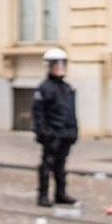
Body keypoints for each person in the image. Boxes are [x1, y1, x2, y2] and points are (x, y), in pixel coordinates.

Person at [32, 48, 78, 207]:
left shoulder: (67, 88)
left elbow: (71, 111)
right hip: (52, 134)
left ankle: (60, 194)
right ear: (48, 66)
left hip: (65, 134)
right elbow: (38, 113)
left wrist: (74, 130)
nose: (59, 67)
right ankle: (43, 195)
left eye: (62, 64)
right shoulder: (44, 88)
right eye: (55, 64)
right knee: (47, 165)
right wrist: (43, 132)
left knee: (61, 166)